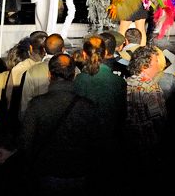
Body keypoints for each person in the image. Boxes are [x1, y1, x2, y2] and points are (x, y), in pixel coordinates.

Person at [20, 54, 109, 192]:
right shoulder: (87, 106)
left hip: (46, 172)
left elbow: (26, 141)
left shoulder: (37, 105)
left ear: (49, 75)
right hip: (79, 172)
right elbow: (97, 143)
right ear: (74, 75)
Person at [124, 46, 168, 161]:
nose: (159, 66)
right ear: (144, 66)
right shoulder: (150, 87)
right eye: (156, 62)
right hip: (146, 142)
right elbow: (158, 118)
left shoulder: (126, 83)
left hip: (127, 141)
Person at [74, 36, 126, 127]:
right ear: (105, 53)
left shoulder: (78, 80)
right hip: (109, 134)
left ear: (84, 54)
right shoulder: (119, 82)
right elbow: (122, 115)